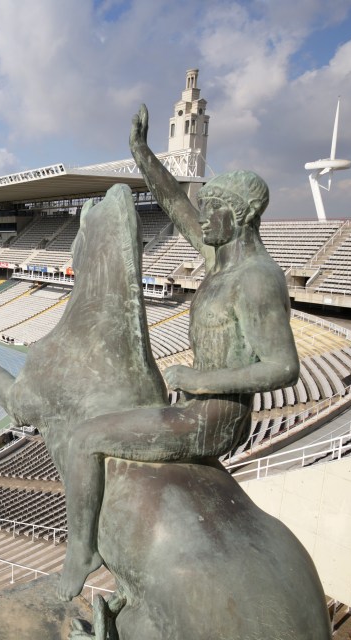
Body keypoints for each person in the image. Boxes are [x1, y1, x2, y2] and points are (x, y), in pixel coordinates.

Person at [55, 104, 300, 600]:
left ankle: (81, 551)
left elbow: (284, 367)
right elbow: (174, 203)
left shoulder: (256, 279)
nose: (203, 216)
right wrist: (141, 152)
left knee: (84, 438)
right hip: (192, 404)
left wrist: (199, 380)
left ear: (242, 217)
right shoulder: (219, 254)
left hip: (213, 417)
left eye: (214, 209)